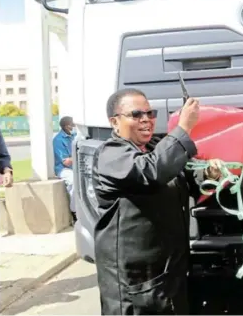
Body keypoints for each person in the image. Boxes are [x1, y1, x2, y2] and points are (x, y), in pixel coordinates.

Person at [92, 88, 222, 315]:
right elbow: (152, 172)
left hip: (166, 275)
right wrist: (184, 128)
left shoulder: (153, 148)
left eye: (150, 114)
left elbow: (180, 177)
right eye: (136, 115)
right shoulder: (110, 154)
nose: (146, 120)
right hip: (135, 282)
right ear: (115, 122)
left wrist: (207, 174)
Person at [52, 116, 77, 220]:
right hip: (63, 169)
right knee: (73, 182)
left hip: (75, 167)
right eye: (73, 124)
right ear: (67, 126)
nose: (75, 126)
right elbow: (66, 162)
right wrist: (78, 155)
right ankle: (74, 212)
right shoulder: (58, 140)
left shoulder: (74, 136)